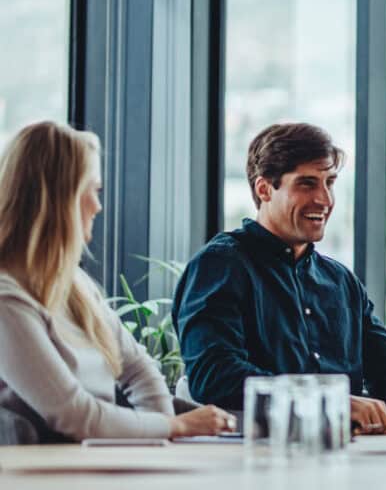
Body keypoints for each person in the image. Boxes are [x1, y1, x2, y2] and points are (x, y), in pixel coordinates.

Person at [173, 123, 386, 434]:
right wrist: (329, 402)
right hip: (254, 460)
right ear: (264, 189)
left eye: (329, 183)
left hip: (346, 458)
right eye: (307, 184)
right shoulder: (220, 265)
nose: (325, 199)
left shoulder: (340, 281)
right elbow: (215, 377)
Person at [0, 122, 235, 441]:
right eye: (92, 191)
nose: (97, 206)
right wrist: (174, 426)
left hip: (91, 462)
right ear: (59, 199)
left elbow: (138, 368)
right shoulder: (7, 302)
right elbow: (74, 414)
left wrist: (161, 434)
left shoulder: (73, 284)